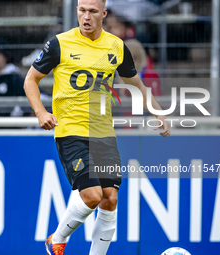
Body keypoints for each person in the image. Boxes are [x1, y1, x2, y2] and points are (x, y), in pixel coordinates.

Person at [24, 0, 170, 254]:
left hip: (103, 133)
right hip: (71, 130)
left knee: (110, 199)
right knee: (91, 195)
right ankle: (56, 240)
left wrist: (158, 112)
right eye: (82, 10)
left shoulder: (116, 46)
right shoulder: (60, 43)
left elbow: (136, 83)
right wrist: (40, 112)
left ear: (103, 13)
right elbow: (30, 80)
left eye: (92, 11)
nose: (86, 16)